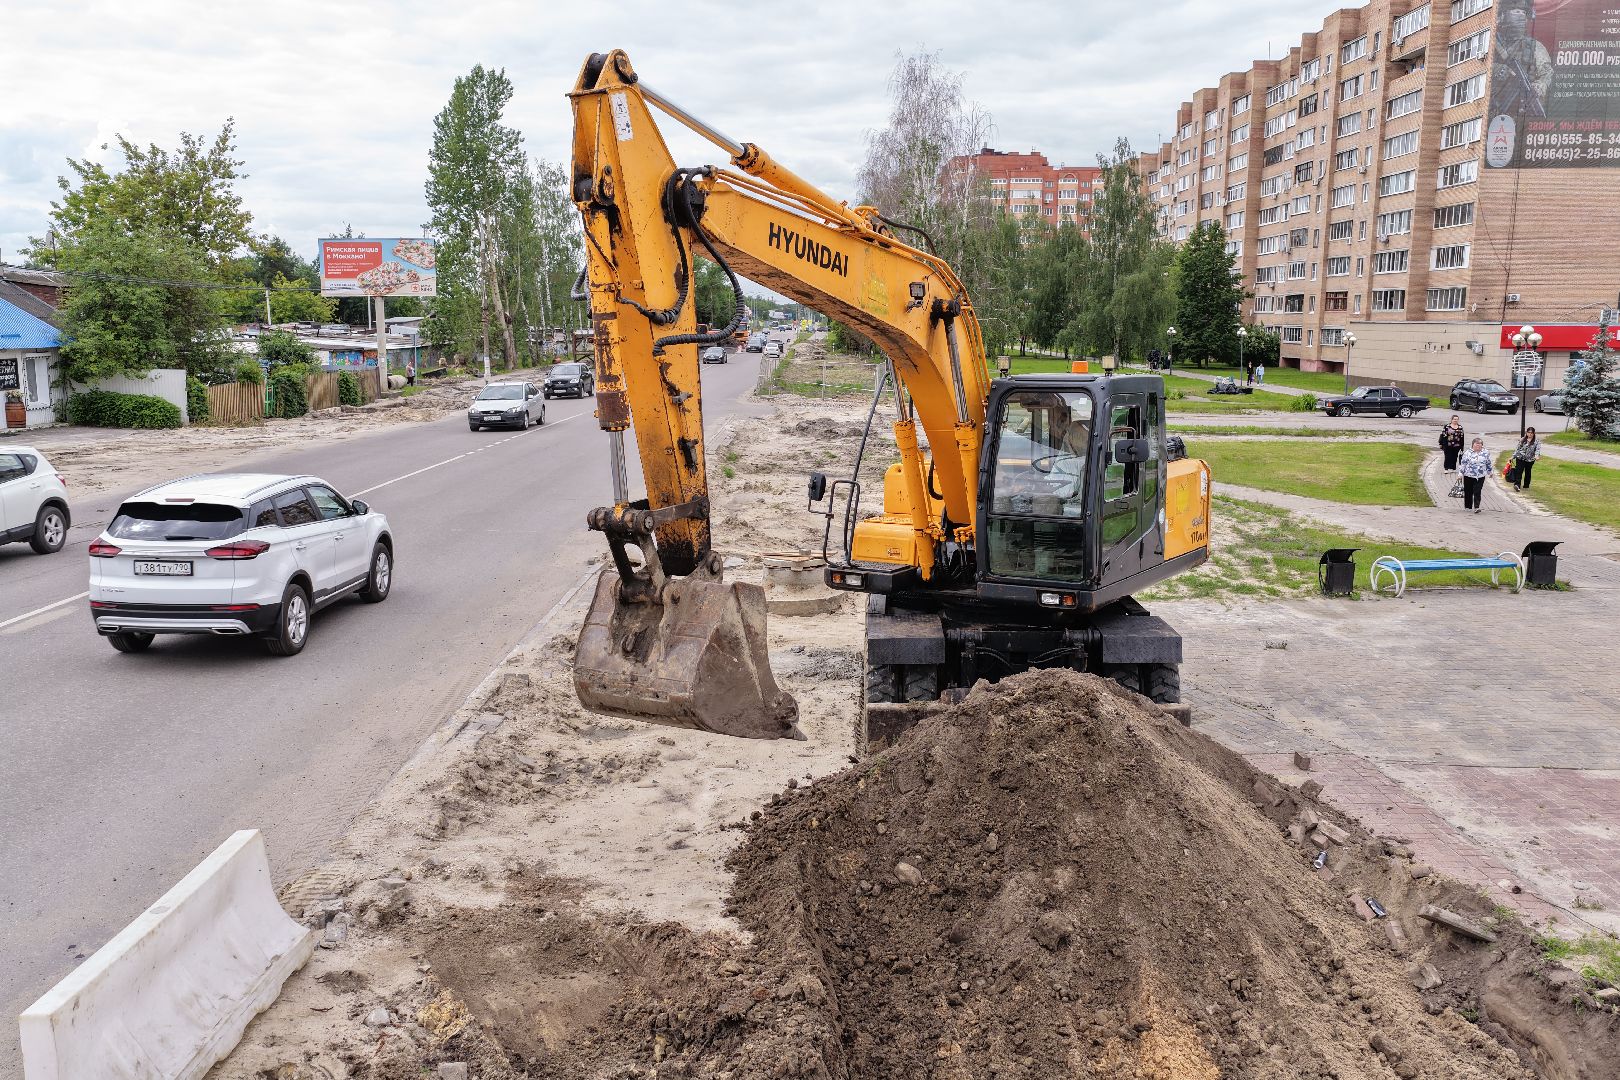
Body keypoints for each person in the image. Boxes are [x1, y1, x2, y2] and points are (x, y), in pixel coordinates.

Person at [1458, 437, 1491, 513]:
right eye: (1476, 444)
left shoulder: (1485, 453)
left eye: (1480, 444)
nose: (1478, 446)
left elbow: (1488, 462)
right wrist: (1460, 473)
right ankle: (1468, 506)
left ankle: (1477, 507)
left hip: (1480, 475)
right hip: (1468, 475)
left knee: (1477, 491)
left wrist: (1490, 472)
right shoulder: (1467, 453)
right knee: (1468, 491)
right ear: (1473, 445)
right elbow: (1463, 464)